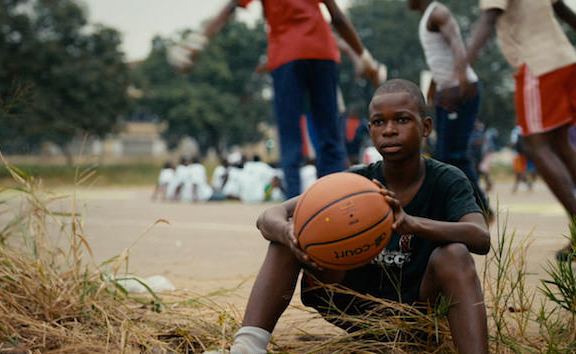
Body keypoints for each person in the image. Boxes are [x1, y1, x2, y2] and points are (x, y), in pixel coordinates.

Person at [229, 79, 490, 353]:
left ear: (426, 127)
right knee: (293, 233)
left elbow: (480, 237)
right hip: (350, 304)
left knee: (454, 255)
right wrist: (289, 234)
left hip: (416, 310)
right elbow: (269, 216)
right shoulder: (354, 183)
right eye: (379, 122)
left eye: (402, 120)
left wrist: (413, 224)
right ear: (370, 129)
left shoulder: (447, 180)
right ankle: (247, 348)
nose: (389, 130)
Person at [192, 0, 385, 199]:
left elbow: (231, 6)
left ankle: (293, 212)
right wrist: (364, 55)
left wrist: (197, 42)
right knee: (330, 137)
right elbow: (337, 18)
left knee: (290, 138)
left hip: (287, 54)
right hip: (322, 52)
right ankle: (335, 202)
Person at [467, 0, 576, 261]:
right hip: (565, 57)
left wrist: (461, 64)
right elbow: (560, 7)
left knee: (535, 146)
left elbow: (488, 17)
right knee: (560, 145)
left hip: (537, 65)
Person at [408, 0, 492, 218]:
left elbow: (457, 44)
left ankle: (482, 209)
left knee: (454, 156)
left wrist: (459, 81)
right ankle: (455, 209)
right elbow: (440, 60)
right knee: (443, 156)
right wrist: (433, 90)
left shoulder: (438, 12)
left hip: (460, 91)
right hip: (447, 92)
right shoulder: (427, 16)